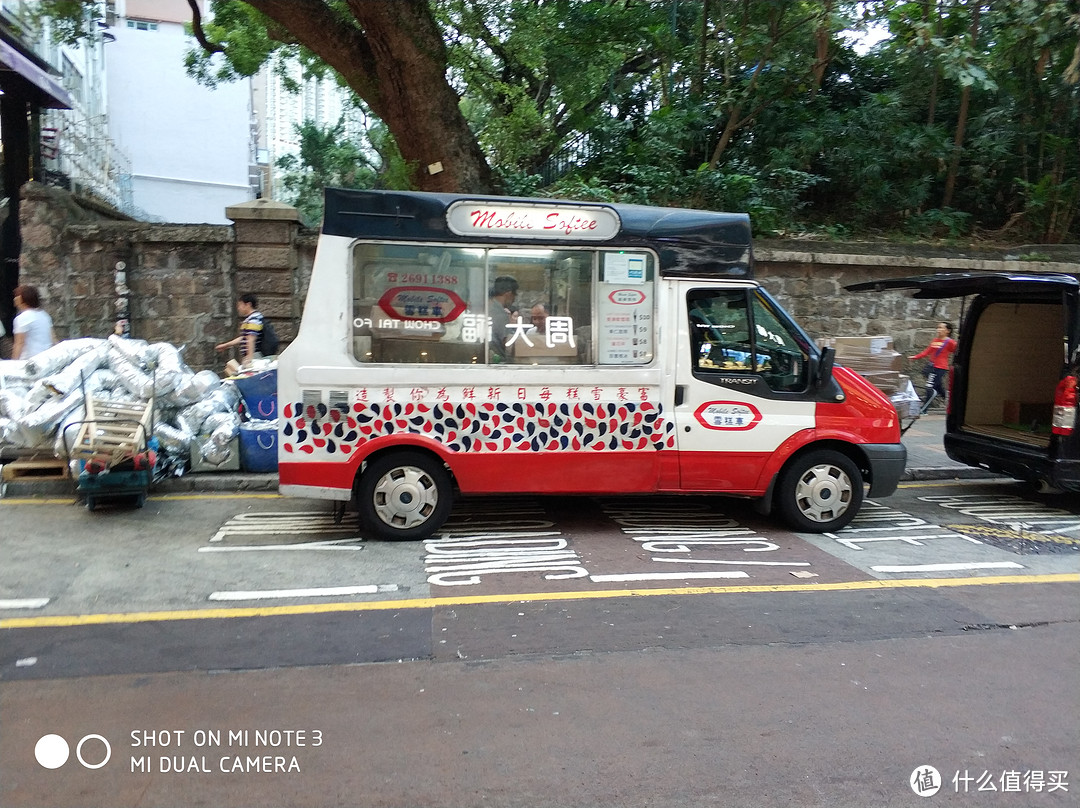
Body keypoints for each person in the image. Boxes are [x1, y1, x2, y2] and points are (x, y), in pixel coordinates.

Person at [910, 321, 956, 410]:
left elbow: (957, 351)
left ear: (948, 331)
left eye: (941, 328)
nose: (939, 330)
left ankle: (925, 409)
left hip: (940, 368)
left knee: (929, 387)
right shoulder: (935, 340)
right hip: (932, 366)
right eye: (938, 327)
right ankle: (950, 401)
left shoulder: (950, 342)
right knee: (937, 386)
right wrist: (915, 357)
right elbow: (927, 351)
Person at [215, 292, 265, 366]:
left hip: (254, 356)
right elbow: (244, 337)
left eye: (240, 305)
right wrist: (226, 345)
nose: (239, 308)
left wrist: (250, 359)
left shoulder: (254, 318)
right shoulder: (249, 319)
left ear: (248, 305)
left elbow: (251, 339)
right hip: (251, 356)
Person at [12, 284, 55, 359]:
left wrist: (13, 364)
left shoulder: (22, 318)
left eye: (16, 296)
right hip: (47, 358)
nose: (14, 299)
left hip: (30, 360)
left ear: (21, 299)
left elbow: (19, 343)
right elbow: (53, 338)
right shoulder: (44, 315)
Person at [487, 276, 518, 361]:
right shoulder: (500, 314)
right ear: (508, 293)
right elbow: (508, 344)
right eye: (514, 295)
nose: (514, 300)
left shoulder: (488, 308)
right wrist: (513, 327)